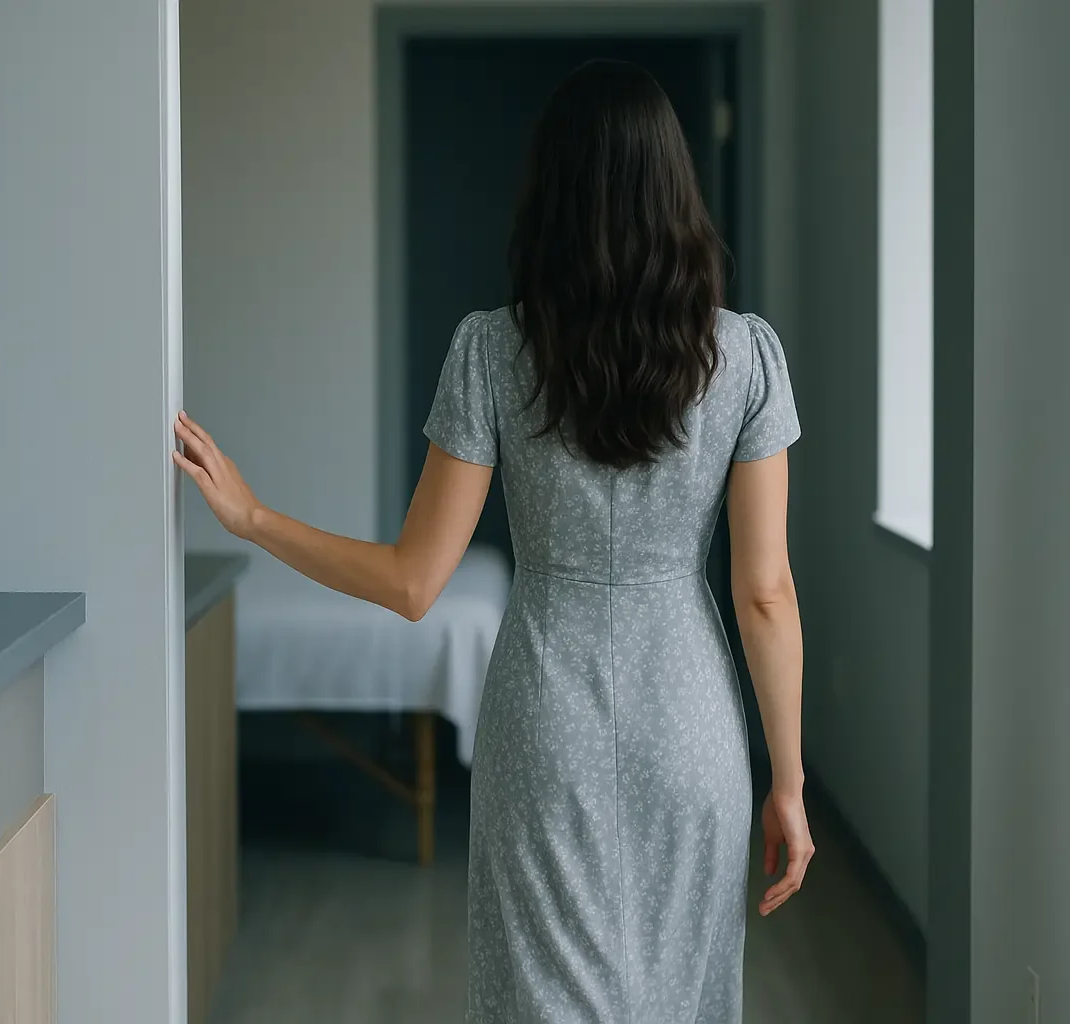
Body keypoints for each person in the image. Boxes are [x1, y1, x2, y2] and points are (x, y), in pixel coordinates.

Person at [173, 57, 811, 1024]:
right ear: (676, 190)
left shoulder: (490, 350)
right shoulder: (746, 358)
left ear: (550, 193)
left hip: (543, 719)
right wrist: (790, 783)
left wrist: (256, 518)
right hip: (692, 724)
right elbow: (765, 593)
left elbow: (412, 582)